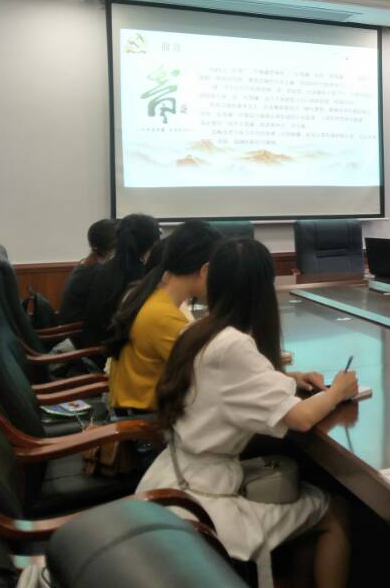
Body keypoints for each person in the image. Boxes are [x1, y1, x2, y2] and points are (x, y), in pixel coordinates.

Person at [138, 238, 357, 588]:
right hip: (204, 503)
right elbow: (301, 418)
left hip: (172, 476)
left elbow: (223, 384)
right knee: (335, 511)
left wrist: (290, 378)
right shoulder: (234, 345)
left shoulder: (196, 329)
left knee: (304, 493)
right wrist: (338, 391)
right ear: (263, 290)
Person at [105, 220, 222, 413]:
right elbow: (205, 375)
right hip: (146, 422)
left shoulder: (150, 294)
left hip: (134, 410)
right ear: (205, 270)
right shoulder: (163, 316)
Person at [80, 213, 160, 350]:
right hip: (111, 352)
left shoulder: (106, 267)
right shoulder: (139, 275)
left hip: (95, 345)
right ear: (153, 243)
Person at [57, 219, 117, 323]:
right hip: (76, 330)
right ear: (114, 244)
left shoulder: (86, 263)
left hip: (73, 327)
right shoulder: (98, 271)